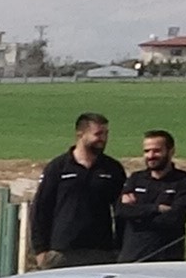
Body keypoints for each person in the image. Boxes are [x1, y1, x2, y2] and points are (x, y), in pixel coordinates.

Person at [27, 112, 126, 268]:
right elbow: (41, 209)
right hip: (62, 252)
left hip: (100, 252)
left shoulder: (112, 169)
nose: (103, 139)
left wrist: (120, 247)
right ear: (80, 134)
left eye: (106, 134)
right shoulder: (58, 167)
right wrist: (40, 250)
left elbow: (121, 211)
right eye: (98, 134)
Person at [117, 129, 186, 263]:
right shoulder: (136, 179)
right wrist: (156, 209)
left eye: (156, 151)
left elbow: (174, 219)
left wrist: (136, 212)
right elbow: (121, 211)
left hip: (166, 260)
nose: (150, 155)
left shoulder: (185, 181)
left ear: (171, 151)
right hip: (132, 259)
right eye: (146, 151)